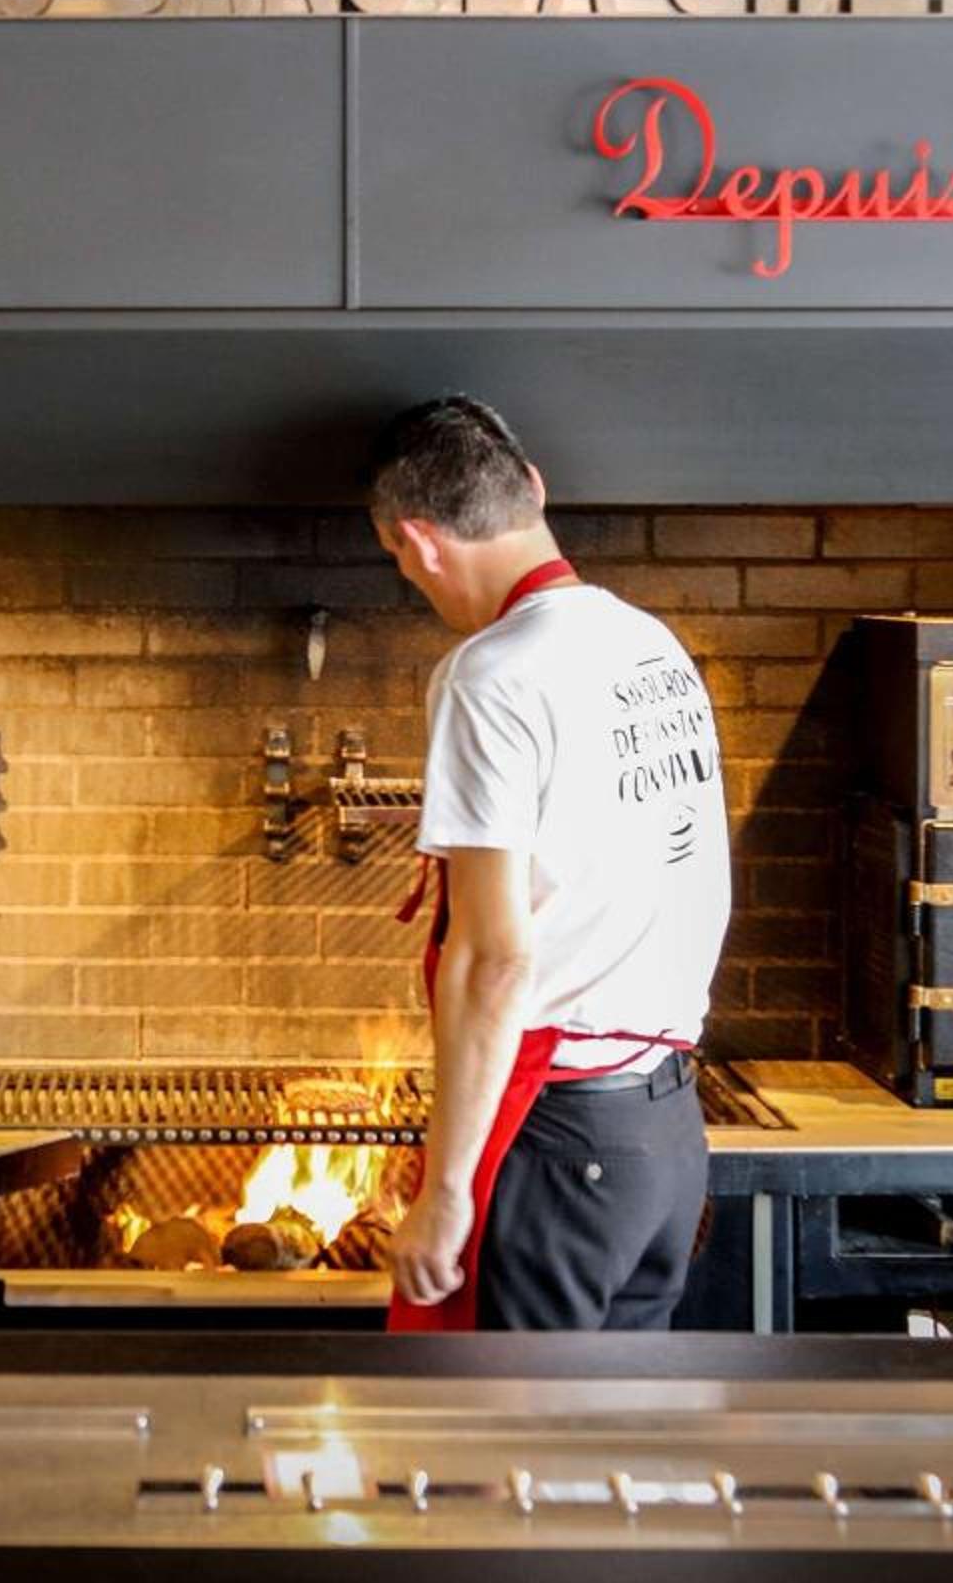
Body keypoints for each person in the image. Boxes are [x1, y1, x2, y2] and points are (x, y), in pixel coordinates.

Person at [369, 394, 732, 1331]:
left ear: (420, 543)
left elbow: (495, 957)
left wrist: (445, 1189)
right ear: (533, 487)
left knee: (503, 1422)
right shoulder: (651, 646)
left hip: (563, 1141)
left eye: (400, 563)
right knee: (605, 1420)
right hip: (663, 1136)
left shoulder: (492, 675)